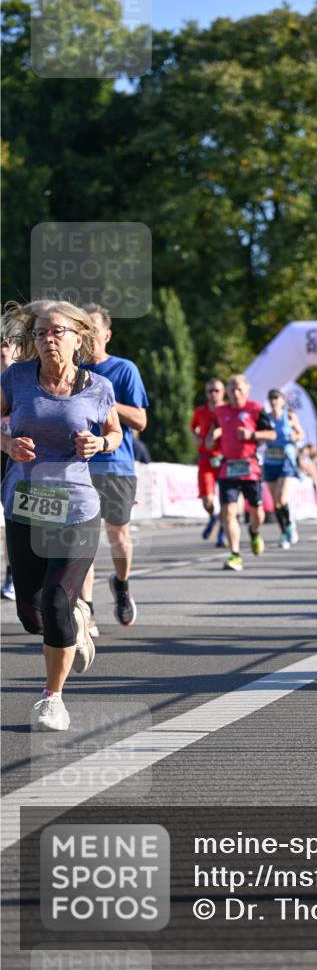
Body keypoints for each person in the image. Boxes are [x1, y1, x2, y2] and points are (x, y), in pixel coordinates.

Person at [0, 300, 122, 731]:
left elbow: (115, 431)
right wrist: (7, 443)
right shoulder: (15, 379)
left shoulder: (100, 387)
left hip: (77, 510)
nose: (47, 339)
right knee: (31, 614)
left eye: (56, 331)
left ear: (78, 337)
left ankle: (53, 699)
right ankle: (76, 618)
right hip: (25, 504)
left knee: (55, 603)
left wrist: (100, 445)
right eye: (39, 333)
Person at [77, 305, 148, 632]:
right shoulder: (71, 371)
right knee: (84, 539)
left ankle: (121, 585)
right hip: (79, 465)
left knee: (118, 536)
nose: (89, 335)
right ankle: (86, 610)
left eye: (94, 329)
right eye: (83, 329)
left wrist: (103, 397)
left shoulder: (124, 369)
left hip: (118, 464)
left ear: (106, 334)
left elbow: (140, 420)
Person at [206, 374, 276, 572]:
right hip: (228, 467)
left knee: (256, 512)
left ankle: (254, 532)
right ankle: (235, 554)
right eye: (232, 389)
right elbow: (214, 432)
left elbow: (271, 434)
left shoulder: (255, 409)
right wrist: (211, 440)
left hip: (250, 467)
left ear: (247, 390)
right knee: (228, 510)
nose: (236, 393)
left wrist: (252, 435)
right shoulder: (221, 411)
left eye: (239, 389)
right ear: (227, 392)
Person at [264, 388, 304, 549]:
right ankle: (283, 533)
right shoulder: (265, 418)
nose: (274, 401)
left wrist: (295, 437)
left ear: (282, 400)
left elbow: (301, 434)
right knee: (275, 503)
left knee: (282, 498)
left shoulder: (289, 416)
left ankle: (290, 526)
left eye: (276, 398)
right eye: (271, 398)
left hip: (286, 460)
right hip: (271, 461)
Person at [190, 378, 226, 546]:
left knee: (227, 500)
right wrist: (196, 437)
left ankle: (223, 532)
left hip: (225, 458)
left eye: (216, 390)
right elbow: (192, 427)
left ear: (223, 392)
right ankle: (213, 517)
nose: (213, 394)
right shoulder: (200, 411)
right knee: (208, 501)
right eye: (210, 391)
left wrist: (217, 434)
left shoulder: (228, 410)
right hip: (206, 458)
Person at [1, 337, 15, 599]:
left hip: (18, 462)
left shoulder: (24, 380)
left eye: (6, 344)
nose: (3, 350)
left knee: (16, 523)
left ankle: (13, 577)